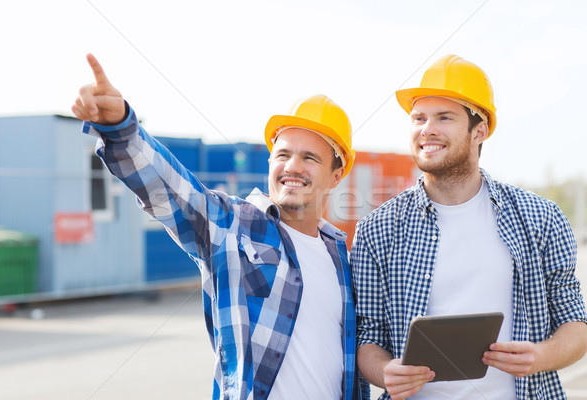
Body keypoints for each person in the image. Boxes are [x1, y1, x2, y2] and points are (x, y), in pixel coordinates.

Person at [72, 54, 368, 400]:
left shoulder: (340, 256)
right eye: (283, 154)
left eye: (310, 158)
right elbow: (171, 189)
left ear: (336, 175)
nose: (292, 166)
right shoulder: (234, 226)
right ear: (270, 161)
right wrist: (121, 129)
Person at [351, 54, 587, 400]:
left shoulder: (540, 218)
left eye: (444, 117)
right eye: (419, 118)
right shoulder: (377, 230)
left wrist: (542, 356)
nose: (426, 129)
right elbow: (367, 335)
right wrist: (385, 372)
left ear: (480, 130)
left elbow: (575, 323)